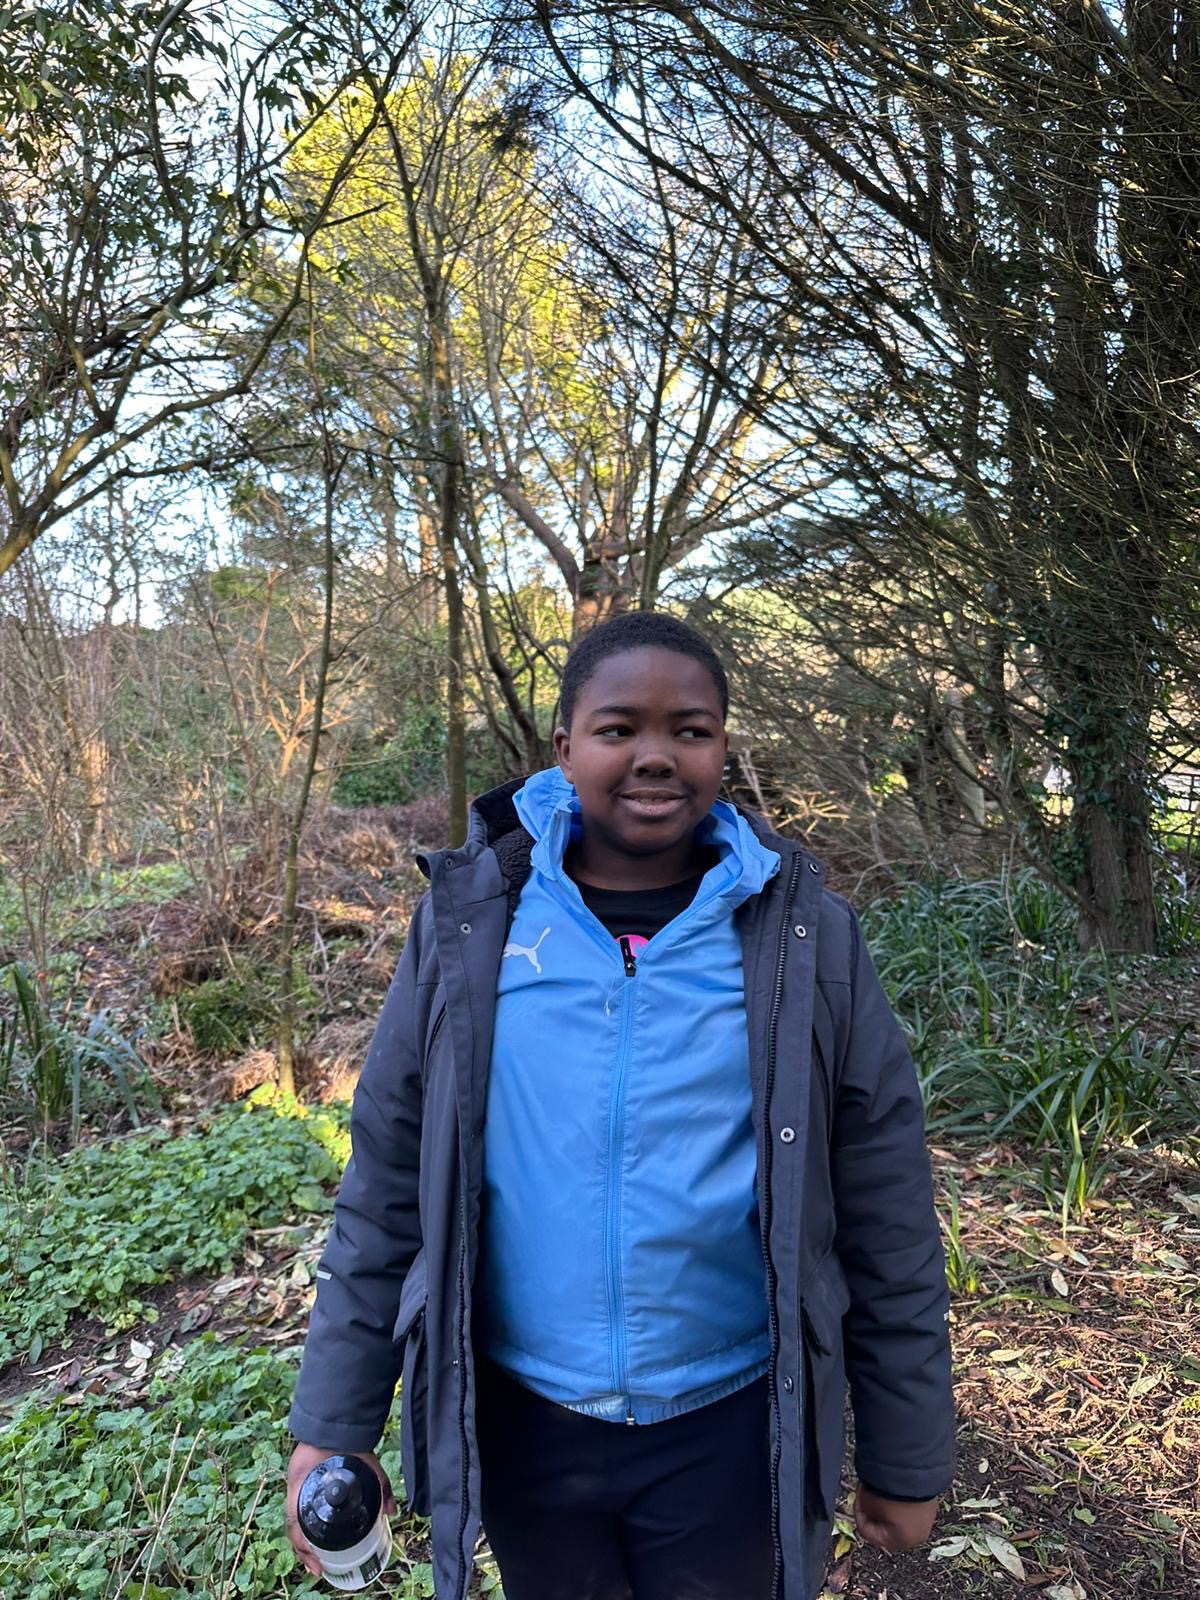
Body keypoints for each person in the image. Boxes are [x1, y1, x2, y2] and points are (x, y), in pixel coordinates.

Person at [285, 611, 954, 1600]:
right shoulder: (473, 923)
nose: (656, 755)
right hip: (527, 1426)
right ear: (563, 747)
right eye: (618, 728)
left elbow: (886, 1203)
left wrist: (906, 1454)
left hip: (734, 1426)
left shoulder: (805, 937)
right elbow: (387, 1178)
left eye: (691, 730)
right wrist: (334, 1423)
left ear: (723, 747)